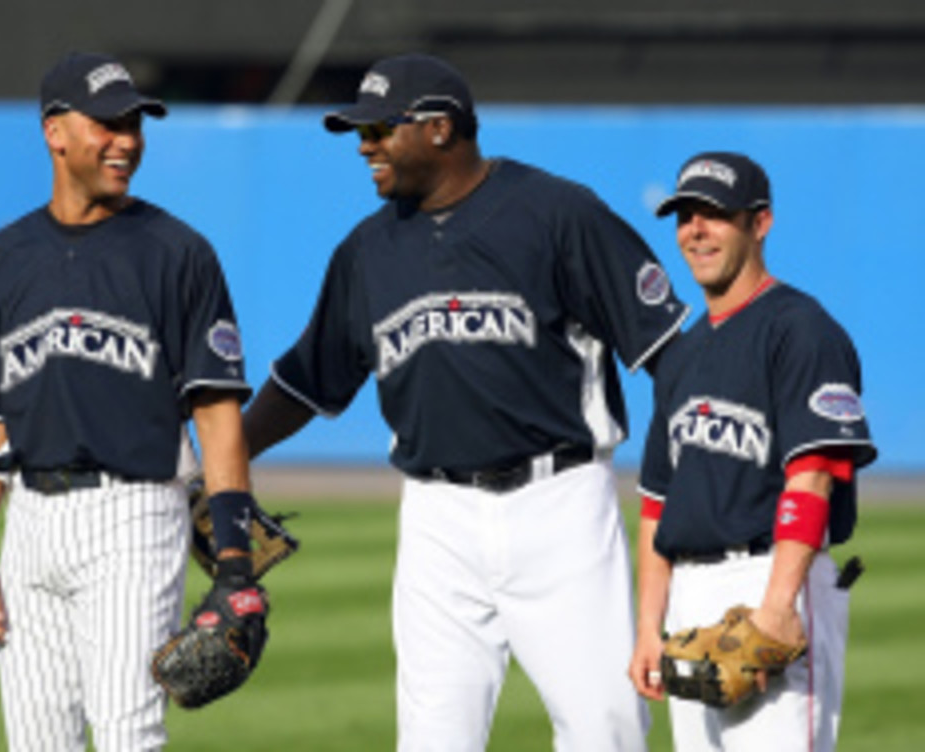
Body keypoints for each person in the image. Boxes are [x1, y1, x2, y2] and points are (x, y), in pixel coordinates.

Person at [242, 53, 688, 751]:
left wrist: (709, 463)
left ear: (440, 129)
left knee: (606, 727)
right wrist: (221, 456)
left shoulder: (557, 214)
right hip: (436, 519)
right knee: (432, 737)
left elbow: (669, 352)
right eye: (359, 132)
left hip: (560, 505)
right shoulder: (366, 253)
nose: (364, 146)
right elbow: (307, 380)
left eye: (380, 130)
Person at [0, 51, 262, 751]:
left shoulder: (177, 253)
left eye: (135, 123)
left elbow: (215, 410)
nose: (127, 139)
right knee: (35, 741)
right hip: (28, 518)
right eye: (109, 122)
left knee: (126, 732)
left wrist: (235, 555)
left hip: (134, 513)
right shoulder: (0, 260)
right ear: (56, 133)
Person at [627, 151, 877, 751]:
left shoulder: (801, 331)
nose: (696, 230)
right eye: (685, 215)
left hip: (768, 581)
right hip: (689, 591)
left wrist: (778, 606)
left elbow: (814, 473)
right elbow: (658, 504)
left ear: (759, 223)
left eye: (715, 215)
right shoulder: (682, 356)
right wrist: (647, 628)